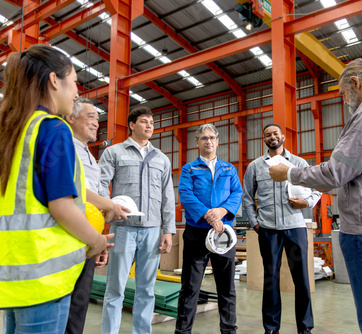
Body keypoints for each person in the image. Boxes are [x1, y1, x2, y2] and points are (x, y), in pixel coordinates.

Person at [268, 58, 362, 334]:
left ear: (355, 83)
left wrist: (289, 174)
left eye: (343, 93)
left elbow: (335, 173)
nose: (344, 99)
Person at [0, 44, 115, 333]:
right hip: (45, 279)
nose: (77, 91)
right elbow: (62, 206)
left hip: (17, 275)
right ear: (54, 80)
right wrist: (96, 241)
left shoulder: (16, 130)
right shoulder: (54, 129)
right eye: (75, 81)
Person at [99, 106, 176, 334]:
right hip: (122, 228)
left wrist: (168, 230)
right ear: (132, 125)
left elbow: (167, 196)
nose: (149, 125)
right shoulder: (114, 153)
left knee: (146, 290)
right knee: (115, 289)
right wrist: (109, 208)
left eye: (151, 122)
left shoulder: (161, 159)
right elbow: (101, 184)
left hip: (152, 231)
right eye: (144, 121)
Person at [243, 124, 321, 334]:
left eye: (275, 133)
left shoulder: (298, 163)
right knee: (271, 280)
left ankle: (305, 328)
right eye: (267, 134)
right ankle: (271, 328)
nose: (272, 137)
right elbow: (248, 198)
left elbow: (316, 189)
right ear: (264, 139)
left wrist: (307, 203)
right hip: (268, 230)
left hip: (295, 228)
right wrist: (255, 223)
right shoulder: (256, 166)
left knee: (301, 279)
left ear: (283, 137)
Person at [65, 97, 129, 334]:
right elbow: (74, 190)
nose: (96, 123)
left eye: (98, 119)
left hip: (87, 239)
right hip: (70, 236)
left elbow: (96, 204)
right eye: (90, 117)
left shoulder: (89, 154)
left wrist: (100, 241)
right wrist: (108, 205)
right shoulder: (66, 147)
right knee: (67, 305)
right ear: (71, 118)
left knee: (79, 303)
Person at [175, 124, 243, 334]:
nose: (208, 141)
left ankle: (229, 330)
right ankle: (183, 331)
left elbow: (237, 192)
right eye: (204, 138)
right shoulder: (189, 169)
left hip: (223, 233)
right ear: (197, 142)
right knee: (190, 286)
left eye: (212, 138)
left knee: (226, 287)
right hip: (197, 232)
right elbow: (185, 194)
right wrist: (207, 215)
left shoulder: (228, 169)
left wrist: (222, 212)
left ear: (217, 141)